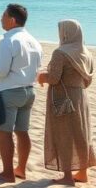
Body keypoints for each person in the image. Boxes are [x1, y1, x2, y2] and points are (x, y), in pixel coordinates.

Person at [0, 3, 43, 183]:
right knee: (23, 132)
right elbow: (37, 67)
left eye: (3, 15)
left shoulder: (8, 40)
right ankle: (21, 169)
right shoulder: (34, 41)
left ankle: (7, 172)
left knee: (5, 132)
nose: (1, 18)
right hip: (29, 90)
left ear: (12, 20)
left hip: (10, 91)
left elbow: (1, 71)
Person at [38, 19, 93, 185]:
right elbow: (88, 79)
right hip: (81, 97)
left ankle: (68, 176)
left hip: (63, 98)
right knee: (82, 134)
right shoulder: (86, 53)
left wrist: (41, 76)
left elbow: (54, 78)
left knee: (64, 135)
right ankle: (83, 172)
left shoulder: (60, 53)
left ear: (65, 33)